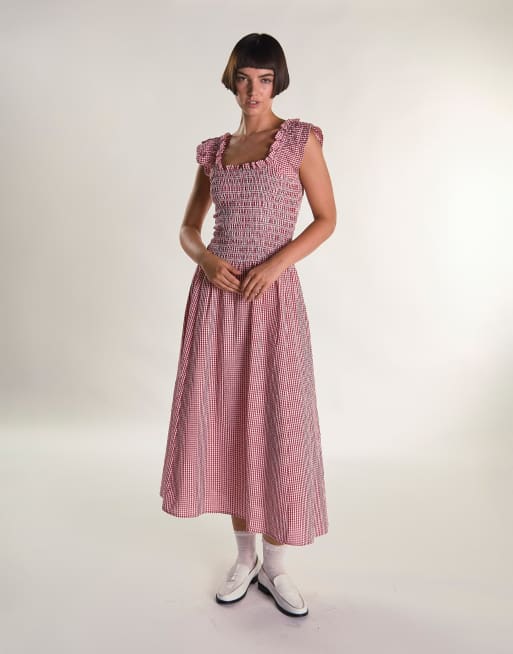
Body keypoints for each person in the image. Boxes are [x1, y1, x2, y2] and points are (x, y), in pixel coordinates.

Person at [159, 32, 337, 618]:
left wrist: (276, 264)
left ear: (276, 82)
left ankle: (277, 567)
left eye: (264, 79)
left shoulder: (299, 140)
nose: (253, 90)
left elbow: (326, 218)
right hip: (217, 301)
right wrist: (207, 260)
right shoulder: (215, 152)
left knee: (278, 423)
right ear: (231, 81)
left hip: (274, 300)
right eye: (243, 78)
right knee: (232, 423)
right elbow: (188, 227)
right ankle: (244, 558)